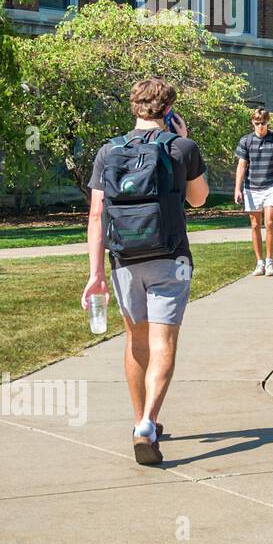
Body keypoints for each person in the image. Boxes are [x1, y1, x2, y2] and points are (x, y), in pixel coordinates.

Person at [81, 79, 208, 466]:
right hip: (171, 259)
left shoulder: (109, 150)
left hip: (123, 261)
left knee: (135, 341)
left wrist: (95, 273)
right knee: (163, 341)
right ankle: (147, 425)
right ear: (169, 110)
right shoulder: (182, 147)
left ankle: (140, 419)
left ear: (134, 107)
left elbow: (97, 214)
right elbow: (199, 200)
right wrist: (182, 140)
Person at [233, 108, 273, 276]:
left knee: (269, 222)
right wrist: (237, 188)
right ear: (253, 123)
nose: (260, 126)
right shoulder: (246, 141)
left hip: (271, 186)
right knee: (255, 224)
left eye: (263, 123)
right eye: (257, 123)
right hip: (251, 188)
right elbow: (242, 166)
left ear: (268, 122)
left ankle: (270, 261)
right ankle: (260, 263)